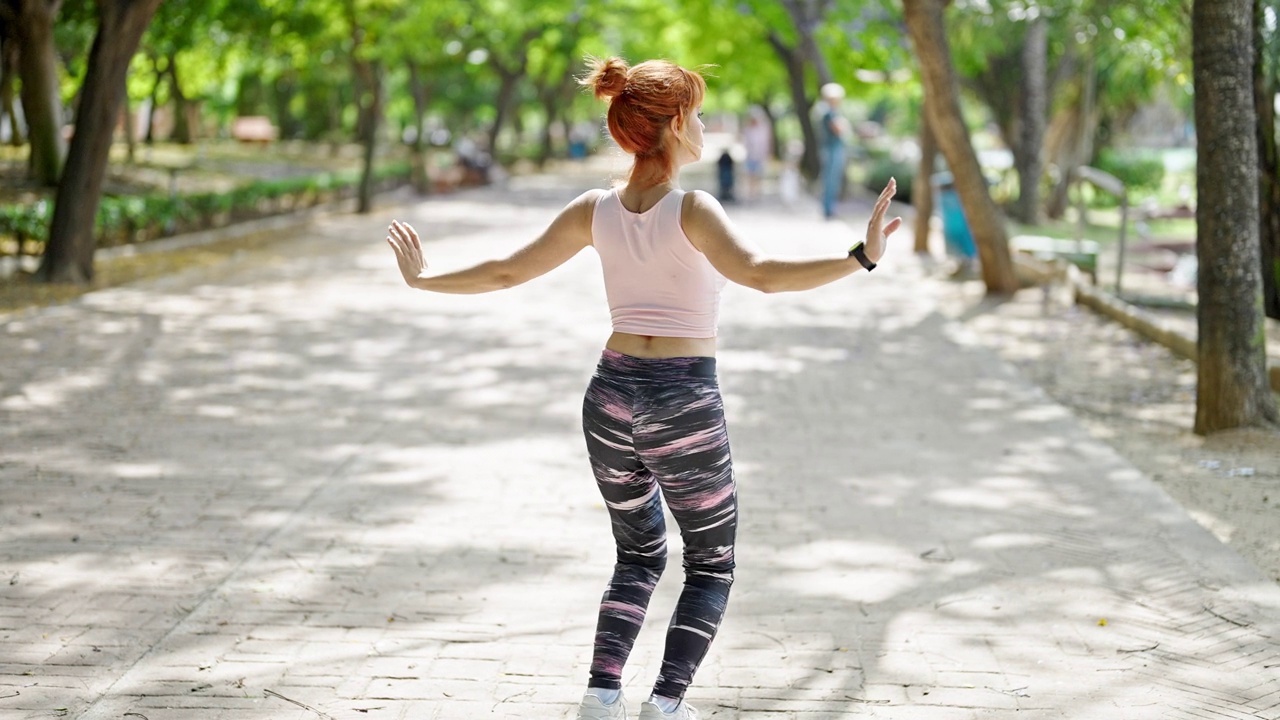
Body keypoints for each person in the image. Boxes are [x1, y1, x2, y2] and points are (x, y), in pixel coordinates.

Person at [385, 56, 901, 720]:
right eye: (702, 112)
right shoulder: (693, 208)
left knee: (637, 554)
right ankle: (665, 703)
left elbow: (507, 273)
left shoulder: (593, 210)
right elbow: (764, 275)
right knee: (711, 565)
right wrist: (861, 258)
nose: (707, 124)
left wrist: (425, 280)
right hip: (681, 400)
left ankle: (601, 694)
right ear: (679, 122)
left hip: (609, 399)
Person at [817, 83, 849, 219]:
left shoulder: (830, 113)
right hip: (832, 150)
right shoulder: (829, 113)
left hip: (832, 149)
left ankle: (829, 208)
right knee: (830, 180)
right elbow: (839, 129)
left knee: (832, 180)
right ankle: (828, 210)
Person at [741, 109, 771, 202]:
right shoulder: (748, 129)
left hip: (760, 155)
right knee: (750, 175)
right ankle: (751, 192)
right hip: (750, 155)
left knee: (758, 174)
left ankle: (757, 192)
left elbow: (768, 142)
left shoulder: (764, 128)